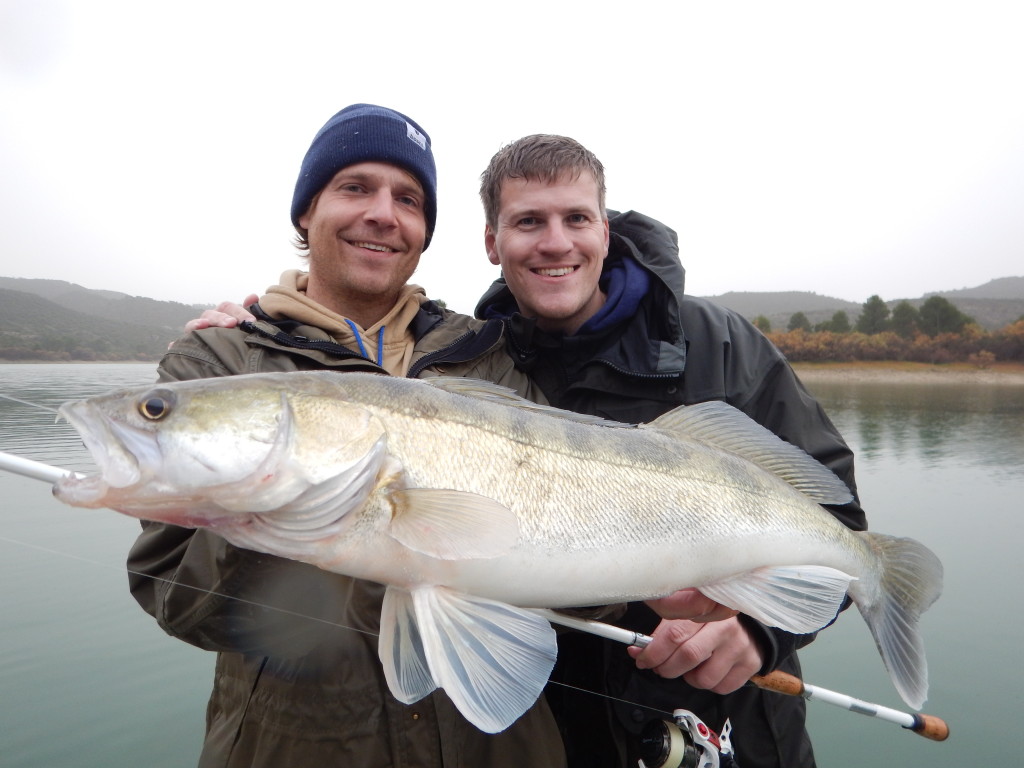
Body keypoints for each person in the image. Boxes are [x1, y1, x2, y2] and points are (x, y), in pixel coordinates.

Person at [194, 135, 867, 768]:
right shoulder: (485, 357)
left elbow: (832, 521)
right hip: (564, 728)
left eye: (577, 218)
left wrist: (759, 632)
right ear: (491, 241)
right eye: (527, 222)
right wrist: (258, 343)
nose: (555, 243)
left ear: (607, 228)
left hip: (722, 727)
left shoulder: (717, 342)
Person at [127, 104, 565, 768]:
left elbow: (573, 535)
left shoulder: (489, 357)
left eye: (408, 199)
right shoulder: (218, 362)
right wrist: (278, 509)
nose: (384, 214)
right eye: (355, 187)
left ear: (423, 230)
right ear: (306, 213)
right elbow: (178, 600)